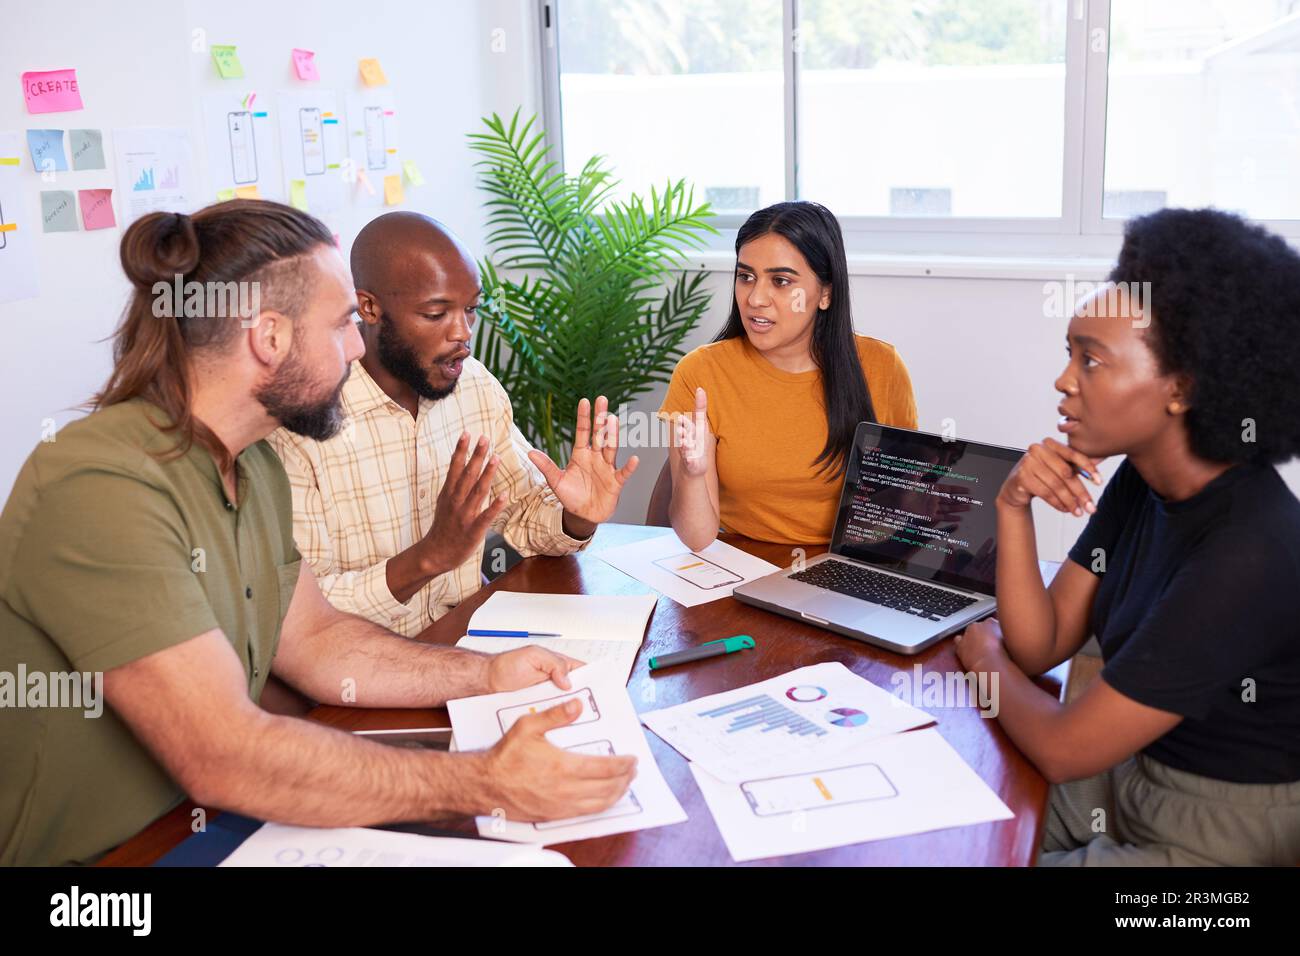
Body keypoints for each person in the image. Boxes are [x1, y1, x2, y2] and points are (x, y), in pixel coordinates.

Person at [0, 200, 635, 866]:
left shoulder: (249, 462)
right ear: (268, 338)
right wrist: (483, 781)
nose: (359, 347)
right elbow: (225, 753)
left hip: (215, 822)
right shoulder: (102, 486)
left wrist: (487, 675)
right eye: (341, 326)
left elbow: (320, 641)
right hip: (105, 861)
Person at [953, 208, 1300, 866]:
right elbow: (1041, 643)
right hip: (1122, 775)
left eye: (1091, 360)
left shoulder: (1252, 550)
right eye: (1069, 354)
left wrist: (982, 660)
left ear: (1182, 389)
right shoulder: (1145, 479)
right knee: (956, 833)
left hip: (1220, 833)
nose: (1063, 381)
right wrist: (1012, 505)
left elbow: (1060, 743)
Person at [267, 212, 638, 636]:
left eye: (471, 309)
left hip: (465, 639)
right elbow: (303, 619)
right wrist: (427, 558)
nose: (463, 333)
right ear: (368, 307)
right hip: (361, 672)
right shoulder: (299, 420)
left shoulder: (474, 386)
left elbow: (521, 516)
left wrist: (577, 518)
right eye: (436, 313)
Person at [659, 201, 918, 551]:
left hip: (843, 570)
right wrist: (691, 477)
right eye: (746, 276)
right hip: (741, 566)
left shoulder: (881, 367)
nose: (755, 298)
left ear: (825, 293)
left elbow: (899, 510)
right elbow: (697, 537)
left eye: (780, 281)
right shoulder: (701, 373)